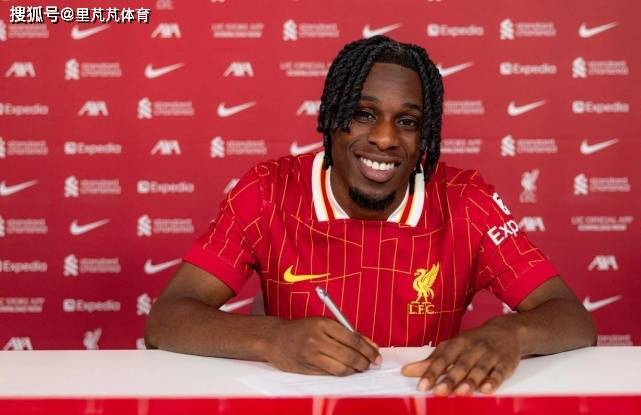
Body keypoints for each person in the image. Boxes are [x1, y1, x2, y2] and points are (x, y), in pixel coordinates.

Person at [145, 36, 596, 396]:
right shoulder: (267, 190)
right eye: (363, 114)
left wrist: (508, 335)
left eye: (407, 121)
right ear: (332, 119)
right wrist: (271, 339)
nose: (384, 138)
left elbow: (572, 318)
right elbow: (166, 320)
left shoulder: (465, 200)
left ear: (425, 137)